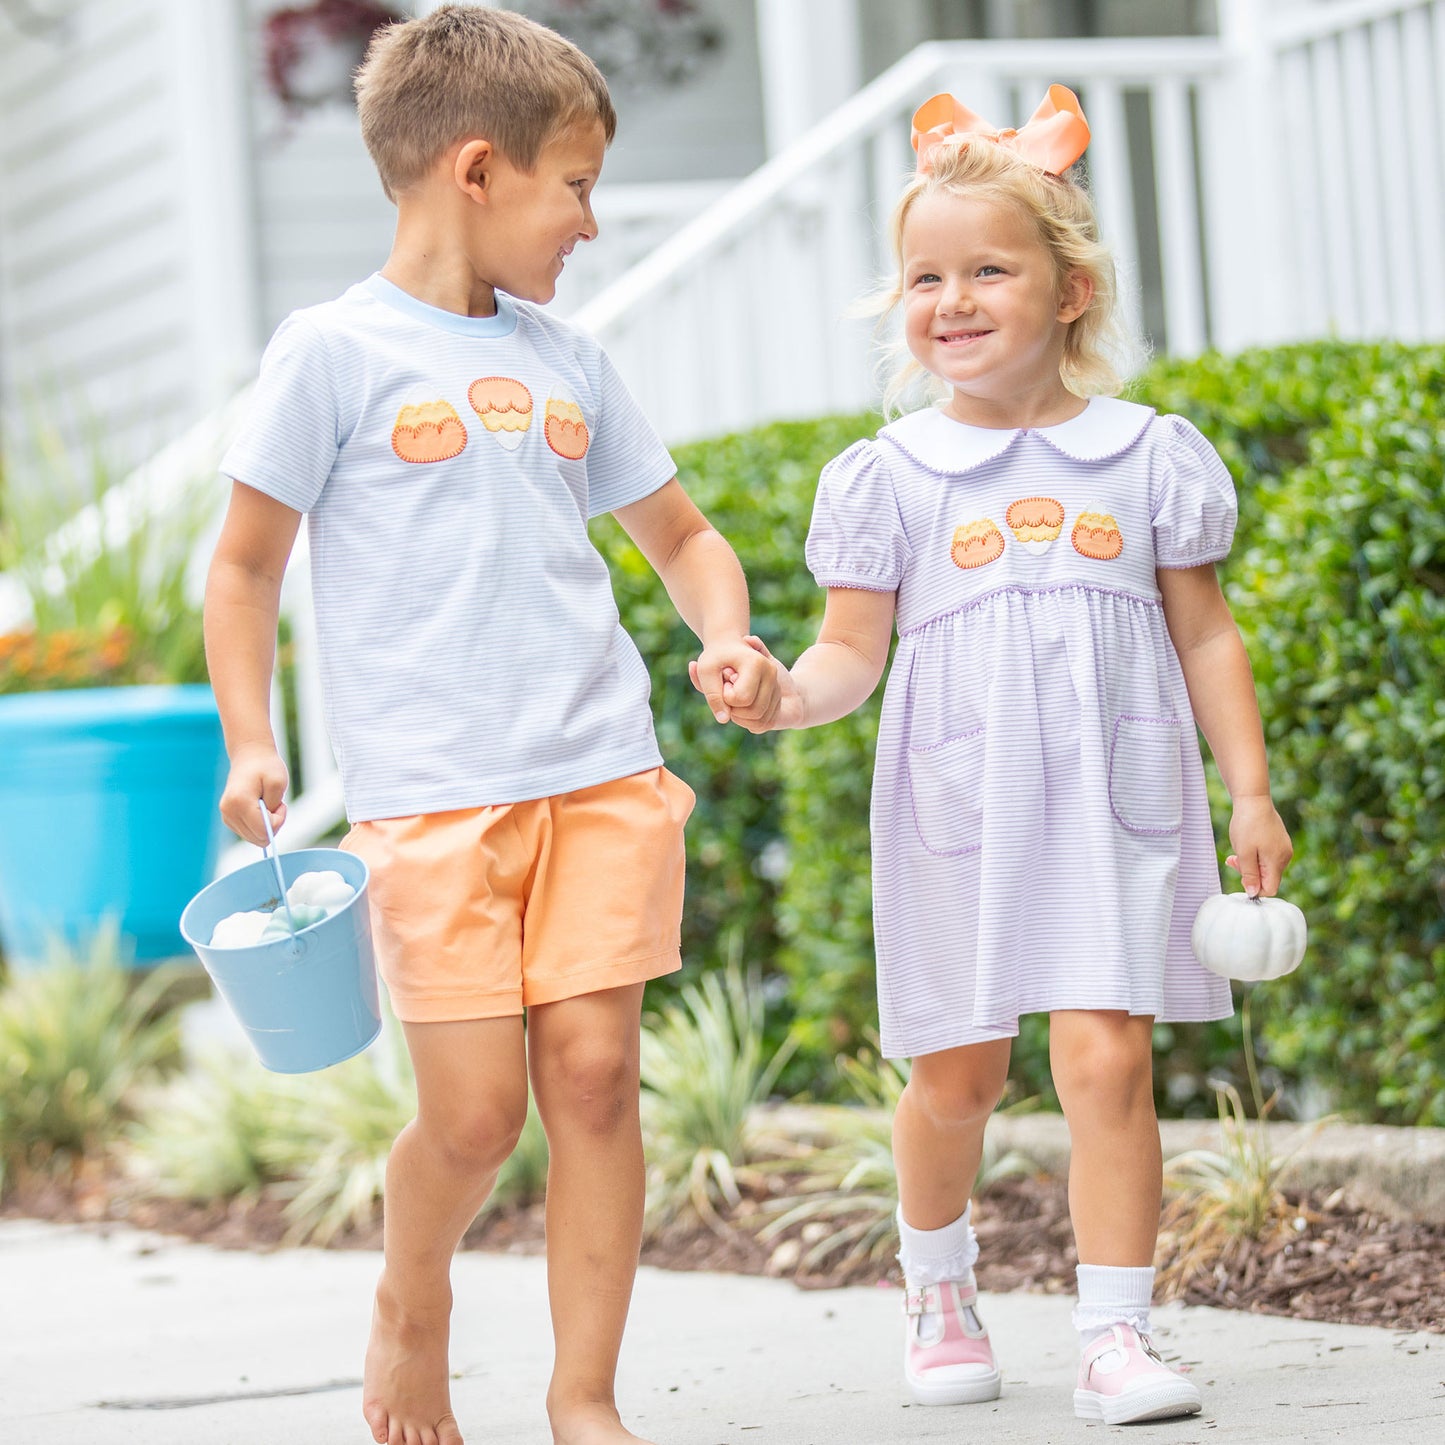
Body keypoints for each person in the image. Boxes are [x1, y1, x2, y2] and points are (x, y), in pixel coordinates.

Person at [203, 9, 776, 1445]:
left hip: (598, 773)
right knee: (470, 1122)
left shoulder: (571, 359)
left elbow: (684, 532)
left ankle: (583, 1394)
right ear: (476, 169)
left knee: (590, 1077)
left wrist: (725, 631)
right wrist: (250, 739)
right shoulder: (329, 354)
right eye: (572, 183)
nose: (589, 218)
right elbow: (245, 565)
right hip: (432, 800)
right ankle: (414, 1299)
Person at [725, 87, 1293, 1426]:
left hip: (1114, 801)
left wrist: (1249, 788)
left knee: (1105, 1059)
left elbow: (1204, 636)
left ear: (1070, 288)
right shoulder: (891, 476)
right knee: (955, 1075)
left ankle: (1112, 1333)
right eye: (925, 275)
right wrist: (779, 693)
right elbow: (850, 654)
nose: (952, 298)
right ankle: (938, 1288)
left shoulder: (1146, 457)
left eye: (989, 267)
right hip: (954, 809)